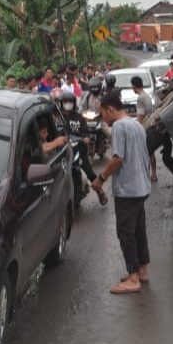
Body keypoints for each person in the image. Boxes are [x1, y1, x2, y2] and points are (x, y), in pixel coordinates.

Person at [91, 91, 152, 294]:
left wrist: (100, 179)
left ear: (110, 109)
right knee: (138, 230)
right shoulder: (136, 124)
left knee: (125, 232)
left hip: (128, 189)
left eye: (103, 114)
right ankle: (142, 270)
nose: (103, 119)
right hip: (141, 187)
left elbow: (117, 158)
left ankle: (133, 277)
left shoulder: (118, 126)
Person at [60, 92, 107, 205]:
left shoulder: (79, 117)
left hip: (79, 151)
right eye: (65, 102)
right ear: (61, 103)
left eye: (70, 101)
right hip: (63, 152)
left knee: (89, 171)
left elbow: (85, 131)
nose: (68, 104)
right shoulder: (58, 117)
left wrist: (86, 138)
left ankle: (99, 191)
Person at [130, 75, 157, 182]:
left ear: (134, 86)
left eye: (132, 86)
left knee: (145, 153)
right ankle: (153, 174)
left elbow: (140, 119)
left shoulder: (140, 98)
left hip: (145, 128)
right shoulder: (146, 95)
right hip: (150, 125)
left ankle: (146, 176)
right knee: (150, 153)